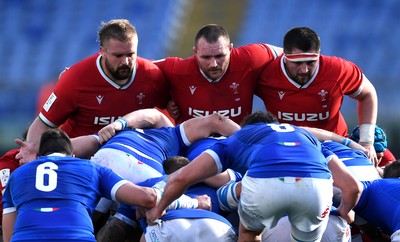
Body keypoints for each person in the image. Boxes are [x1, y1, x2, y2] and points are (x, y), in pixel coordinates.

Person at [146, 111, 362, 242]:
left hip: (264, 186)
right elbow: (353, 187)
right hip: (316, 188)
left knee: (249, 233)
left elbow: (181, 178)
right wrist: (344, 211)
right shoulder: (307, 137)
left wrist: (158, 209)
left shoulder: (239, 137)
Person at [17, 19, 170, 164]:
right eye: (118, 55)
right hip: (83, 161)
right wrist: (32, 150)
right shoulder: (75, 79)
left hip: (132, 158)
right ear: (102, 51)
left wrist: (173, 106)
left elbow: (167, 111)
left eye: (131, 54)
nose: (125, 62)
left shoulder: (151, 75)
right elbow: (44, 122)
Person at [1, 129, 159, 242]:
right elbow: (146, 198)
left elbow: (8, 231)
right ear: (72, 155)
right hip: (76, 236)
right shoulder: (93, 169)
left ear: (40, 156)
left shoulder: (17, 175)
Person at [256, 26, 379, 163]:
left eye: (310, 62)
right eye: (297, 63)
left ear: (319, 54)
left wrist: (367, 141)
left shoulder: (338, 70)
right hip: (287, 150)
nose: (304, 69)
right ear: (284, 57)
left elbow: (368, 94)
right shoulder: (264, 74)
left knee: (389, 166)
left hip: (338, 148)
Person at [154, 23, 283, 124]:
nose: (213, 64)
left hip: (238, 143)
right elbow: (140, 68)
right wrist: (165, 99)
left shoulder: (250, 58)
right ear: (195, 52)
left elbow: (288, 55)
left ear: (231, 49)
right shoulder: (178, 69)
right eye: (206, 57)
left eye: (219, 56)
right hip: (193, 146)